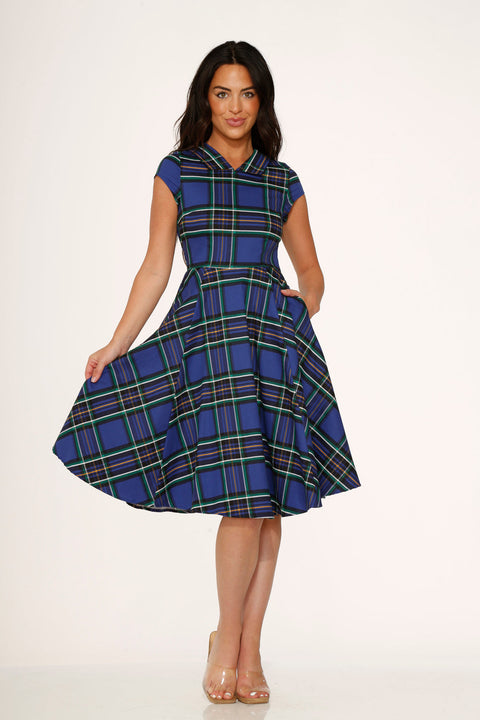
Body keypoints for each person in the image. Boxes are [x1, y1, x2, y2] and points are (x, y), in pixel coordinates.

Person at [52, 40, 361, 705]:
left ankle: (248, 651)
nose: (235, 106)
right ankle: (228, 641)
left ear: (262, 102)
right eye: (223, 93)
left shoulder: (282, 181)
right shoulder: (178, 172)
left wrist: (302, 302)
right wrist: (116, 342)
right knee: (245, 500)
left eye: (247, 94)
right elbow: (155, 267)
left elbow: (312, 271)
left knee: (269, 502)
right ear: (205, 100)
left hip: (270, 339)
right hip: (209, 340)